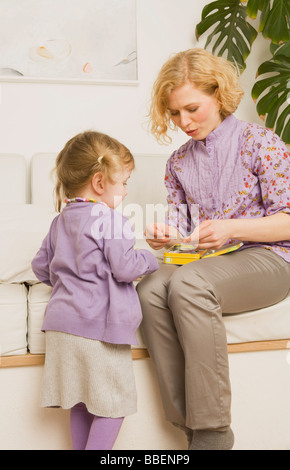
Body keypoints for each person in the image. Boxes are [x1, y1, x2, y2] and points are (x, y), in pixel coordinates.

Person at [137, 48, 290, 450]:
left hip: (270, 259)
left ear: (218, 96)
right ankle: (188, 425)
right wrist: (168, 236)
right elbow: (188, 232)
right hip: (208, 262)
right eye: (174, 114)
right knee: (150, 286)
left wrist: (231, 228)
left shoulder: (262, 142)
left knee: (187, 284)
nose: (183, 122)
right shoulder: (177, 163)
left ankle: (213, 434)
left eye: (192, 109)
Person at [31, 131, 159, 450]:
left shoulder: (60, 221)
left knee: (80, 402)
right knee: (112, 406)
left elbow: (40, 267)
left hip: (61, 328)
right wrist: (152, 258)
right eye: (124, 182)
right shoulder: (109, 219)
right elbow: (126, 267)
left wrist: (71, 280)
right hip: (97, 331)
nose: (127, 191)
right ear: (100, 183)